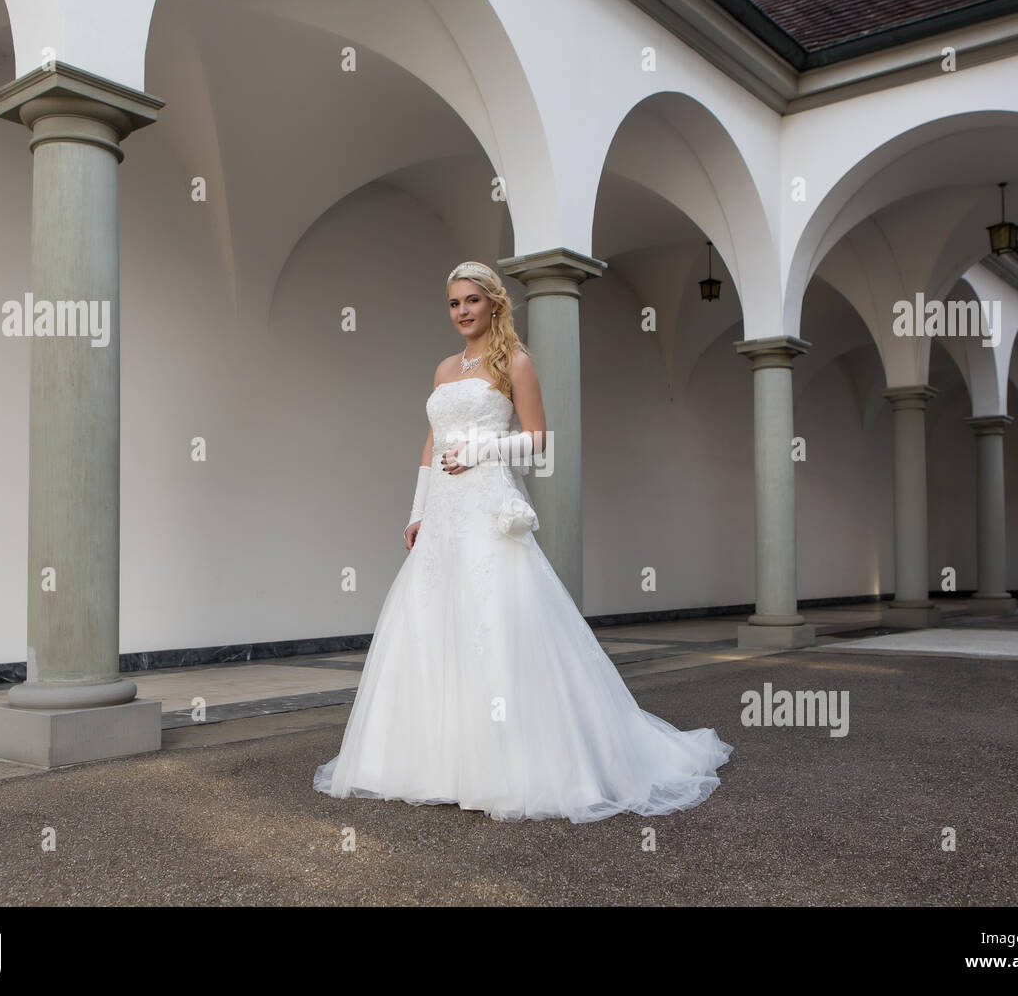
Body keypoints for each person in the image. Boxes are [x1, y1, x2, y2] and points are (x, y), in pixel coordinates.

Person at [313, 261, 732, 823]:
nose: (462, 311)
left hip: (486, 505)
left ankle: (507, 767)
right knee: (434, 623)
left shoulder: (516, 361)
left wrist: (482, 451)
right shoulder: (443, 368)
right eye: (453, 303)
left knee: (498, 620)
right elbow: (430, 444)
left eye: (471, 301)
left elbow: (539, 445)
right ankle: (437, 766)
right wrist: (417, 511)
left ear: (494, 304)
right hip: (442, 512)